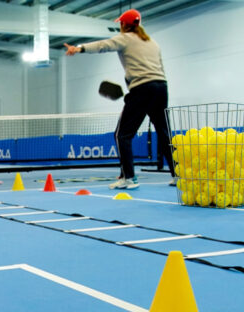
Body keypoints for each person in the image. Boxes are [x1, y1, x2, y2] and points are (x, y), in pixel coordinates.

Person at [65, 8, 175, 190]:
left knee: (122, 135)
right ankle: (178, 175)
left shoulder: (125, 38)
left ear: (124, 24)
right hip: (161, 87)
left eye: (120, 23)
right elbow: (160, 68)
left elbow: (103, 45)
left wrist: (79, 48)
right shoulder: (153, 42)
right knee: (164, 133)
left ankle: (129, 178)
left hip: (142, 88)